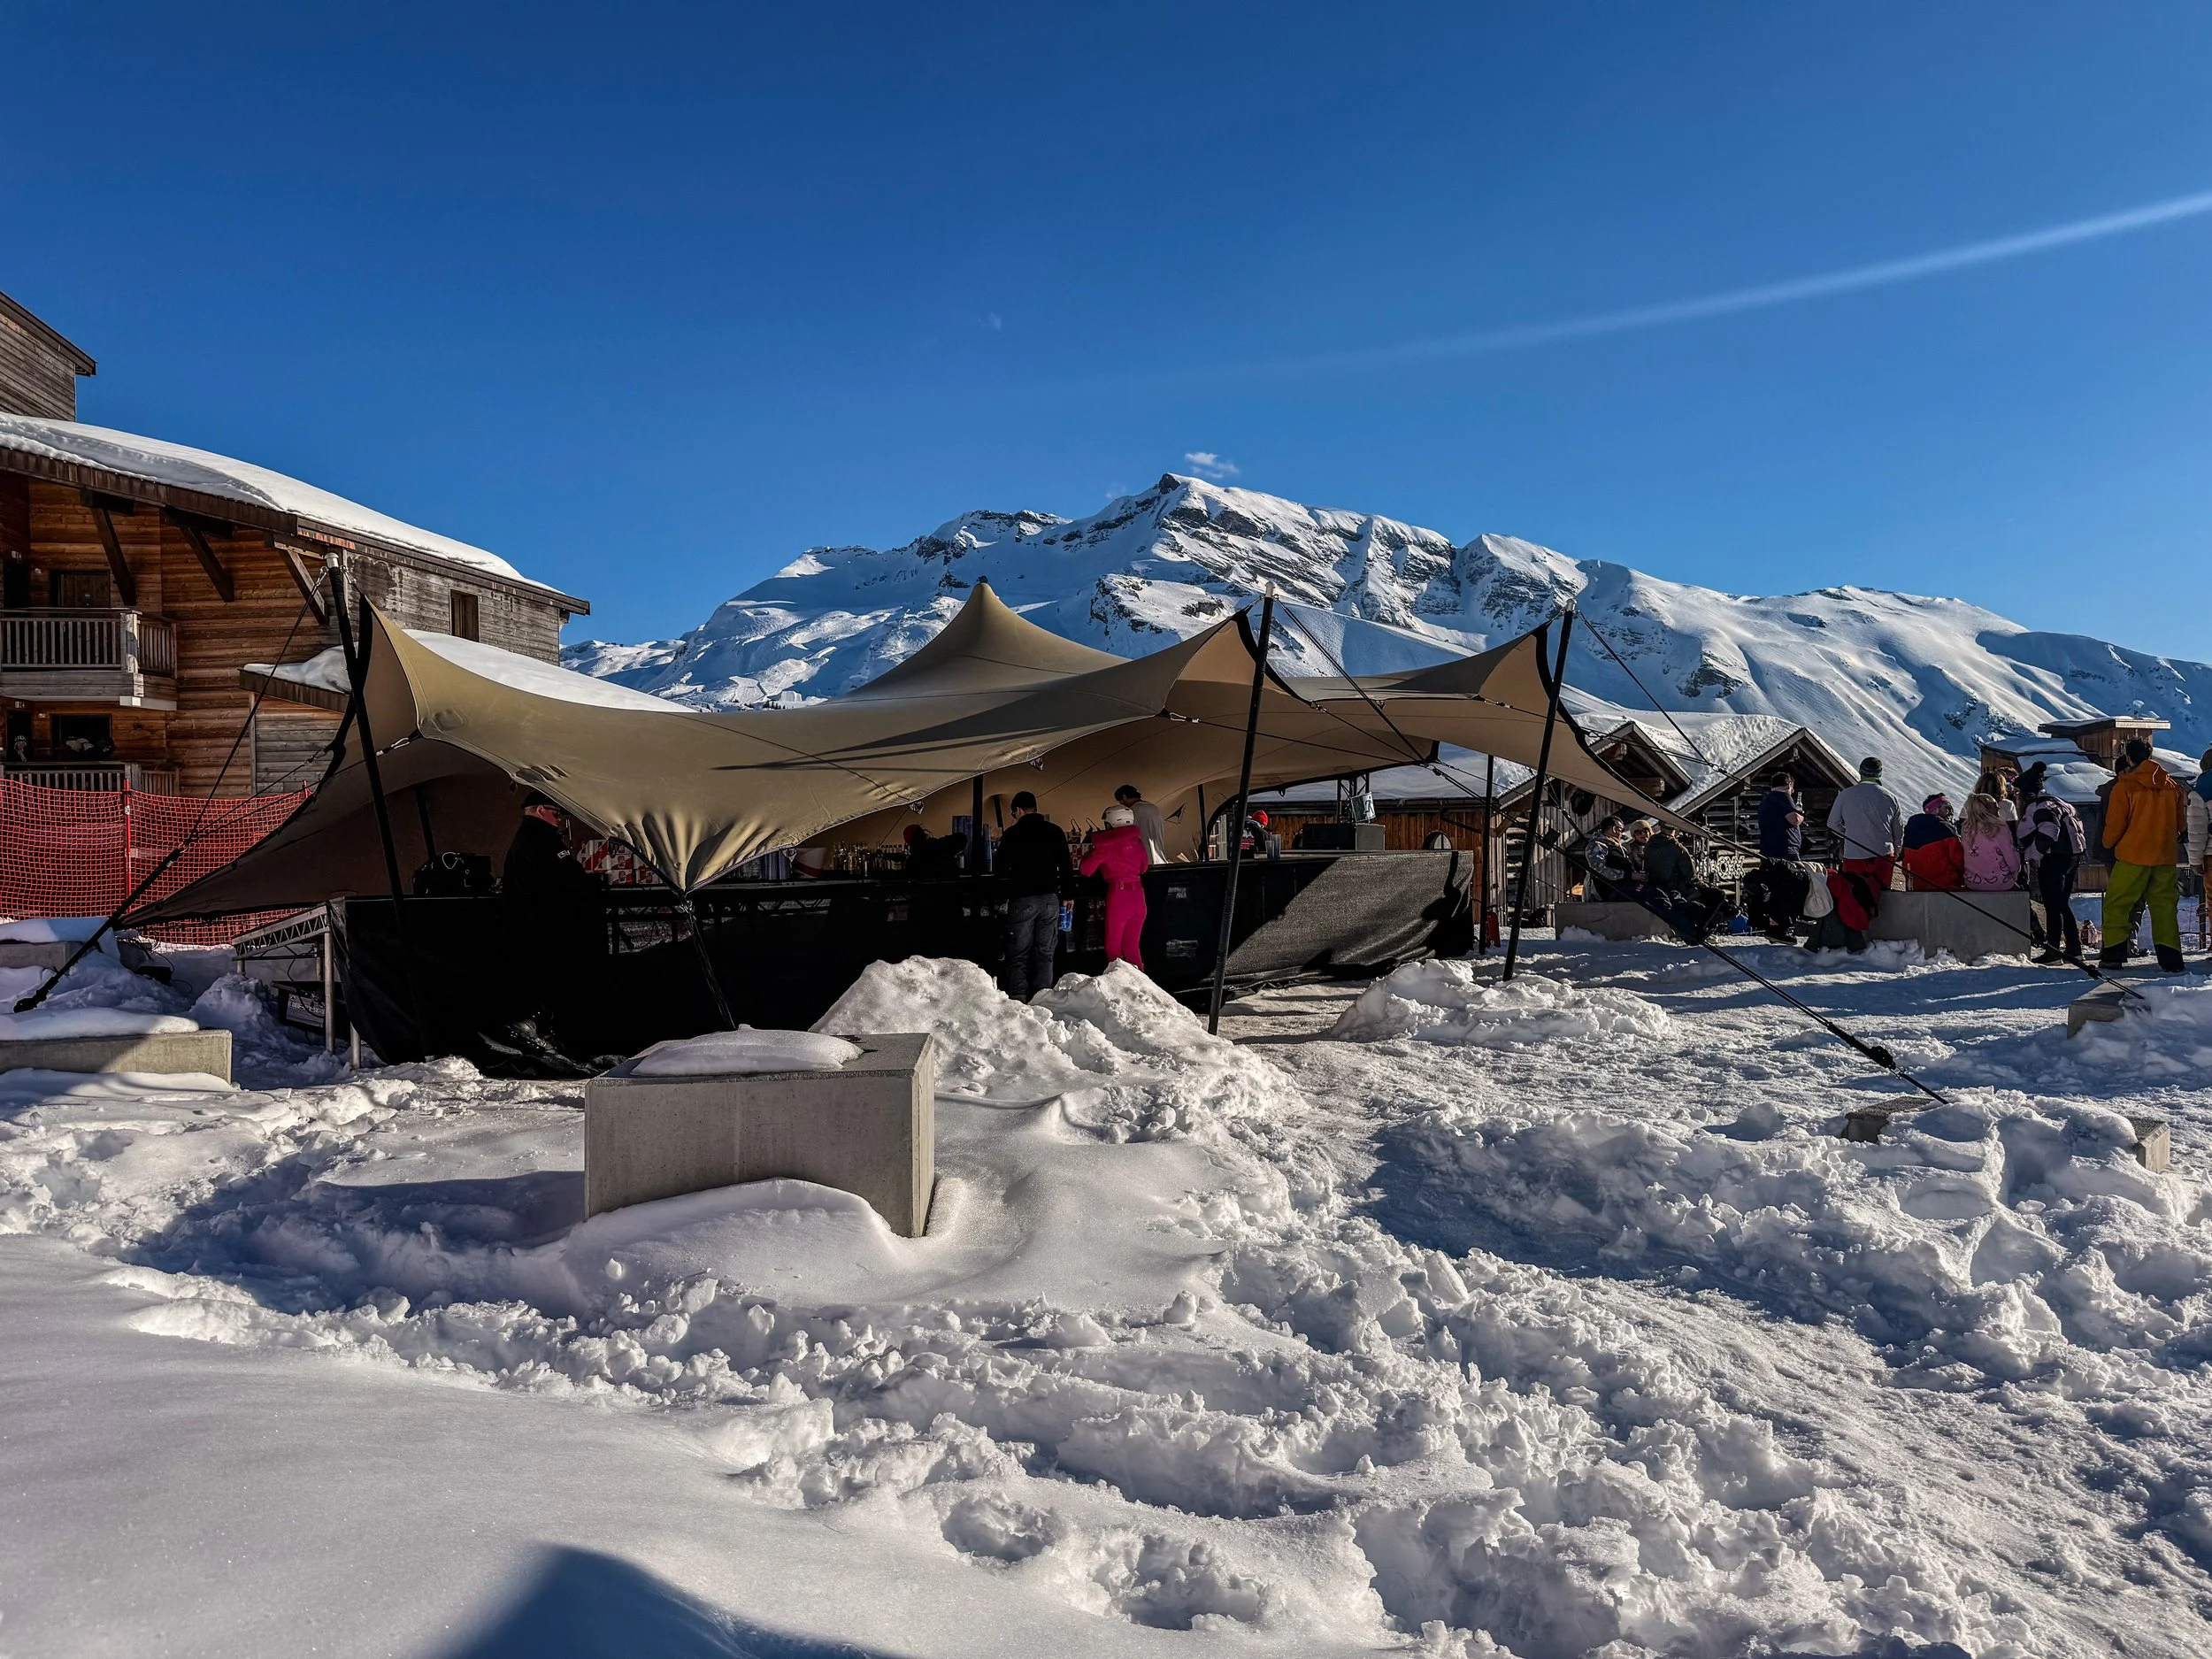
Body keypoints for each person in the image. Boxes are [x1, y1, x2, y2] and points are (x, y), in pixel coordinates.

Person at [2101, 737, 2186, 973]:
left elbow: (2115, 824)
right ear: (2150, 755)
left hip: (2133, 855)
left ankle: (2114, 954)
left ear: (2128, 757)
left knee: (2118, 904)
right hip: (2165, 856)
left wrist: (2108, 843)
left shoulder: (2125, 786)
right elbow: (2181, 823)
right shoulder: (2171, 786)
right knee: (2165, 906)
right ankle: (2171, 958)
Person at [995, 790, 1072, 1001]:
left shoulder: (1012, 834)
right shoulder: (1055, 831)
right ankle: (1043, 997)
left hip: (1023, 899)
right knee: (1045, 953)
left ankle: (1019, 998)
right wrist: (1068, 895)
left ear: (1019, 810)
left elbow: (1000, 869)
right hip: (1050, 899)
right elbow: (1066, 865)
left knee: (1019, 953)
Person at [2016, 762, 2085, 964]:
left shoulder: (2039, 807)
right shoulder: (2061, 802)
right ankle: (2074, 948)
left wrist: (2034, 854)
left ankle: (2053, 951)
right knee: (2062, 904)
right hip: (2073, 856)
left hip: (2055, 858)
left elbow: (2049, 829)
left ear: (2027, 794)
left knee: (2052, 905)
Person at [1080, 803, 1150, 970]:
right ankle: (1141, 983)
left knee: (1113, 948)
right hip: (1139, 896)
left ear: (1110, 823)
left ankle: (1117, 982)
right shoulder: (1138, 843)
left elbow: (1085, 870)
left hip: (1119, 896)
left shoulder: (1106, 846)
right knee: (1132, 948)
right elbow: (1144, 868)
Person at [1827, 757, 1903, 896]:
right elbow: (1898, 831)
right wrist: (1896, 852)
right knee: (1883, 895)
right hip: (1884, 855)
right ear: (1879, 774)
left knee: (1855, 894)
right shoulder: (1891, 797)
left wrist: (1849, 835)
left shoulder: (1846, 795)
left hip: (1854, 854)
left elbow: (1832, 824)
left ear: (1861, 772)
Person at [1749, 773, 1807, 941]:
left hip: (1769, 851)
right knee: (1789, 889)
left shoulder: (1767, 801)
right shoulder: (1784, 797)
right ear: (1790, 785)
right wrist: (1801, 814)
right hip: (1785, 852)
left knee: (1775, 889)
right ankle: (1781, 927)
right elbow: (1794, 819)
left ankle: (1775, 926)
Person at [1959, 788, 2022, 893]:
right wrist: (2015, 874)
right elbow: (2011, 856)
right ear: (1986, 809)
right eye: (1995, 805)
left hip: (1972, 883)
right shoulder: (2000, 828)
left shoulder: (1966, 828)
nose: (1998, 807)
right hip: (2001, 883)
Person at [1901, 795, 1965, 890]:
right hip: (1946, 887)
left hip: (1916, 887)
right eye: (1946, 807)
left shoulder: (1910, 828)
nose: (1950, 812)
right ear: (1935, 810)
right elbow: (1959, 861)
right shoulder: (1946, 829)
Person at [1114, 784, 1168, 865]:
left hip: (1145, 861)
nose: (1122, 805)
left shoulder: (1133, 811)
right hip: (1160, 859)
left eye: (1121, 802)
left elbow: (1126, 835)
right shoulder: (1154, 808)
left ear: (1124, 797)